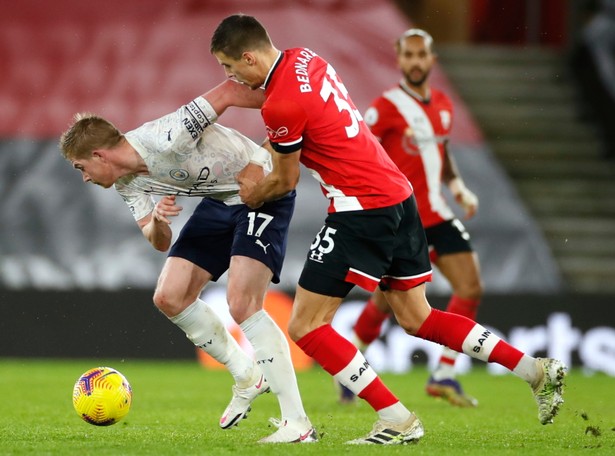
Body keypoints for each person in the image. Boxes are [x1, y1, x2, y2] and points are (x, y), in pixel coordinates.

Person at [210, 14, 566, 445]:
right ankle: (536, 371)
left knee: (306, 326)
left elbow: (284, 180)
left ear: (248, 57)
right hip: (399, 195)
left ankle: (396, 419)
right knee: (418, 318)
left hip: (360, 208)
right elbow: (301, 119)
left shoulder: (279, 104)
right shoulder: (307, 59)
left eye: (230, 68)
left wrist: (253, 193)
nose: (232, 78)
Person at [58, 79, 317, 444]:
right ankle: (247, 375)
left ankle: (298, 424)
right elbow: (158, 241)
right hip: (218, 203)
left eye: (81, 166)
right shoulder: (126, 182)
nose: (84, 177)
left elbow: (229, 91)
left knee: (242, 303)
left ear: (100, 155)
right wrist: (160, 223)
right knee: (170, 296)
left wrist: (291, 109)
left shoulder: (167, 135)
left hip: (261, 193)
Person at [337, 28, 482, 408]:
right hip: (401, 219)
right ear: (399, 60)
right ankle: (353, 358)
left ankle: (444, 373)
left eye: (422, 55)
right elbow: (360, 151)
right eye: (409, 55)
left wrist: (459, 187)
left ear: (432, 59)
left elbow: (442, 155)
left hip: (438, 213)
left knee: (470, 286)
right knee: (388, 304)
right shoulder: (385, 107)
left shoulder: (445, 106)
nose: (416, 62)